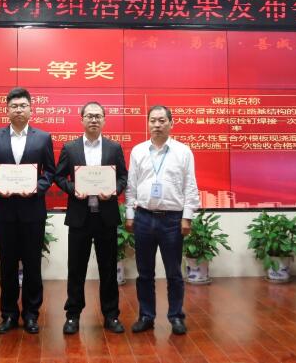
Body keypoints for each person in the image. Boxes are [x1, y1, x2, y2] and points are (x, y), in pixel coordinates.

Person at [0, 87, 56, 334]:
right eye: (14, 106)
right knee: (7, 265)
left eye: (23, 106)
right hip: (4, 212)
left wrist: (36, 188)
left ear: (31, 109)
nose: (19, 110)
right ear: (7, 109)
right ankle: (9, 314)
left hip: (33, 211)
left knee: (33, 264)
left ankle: (32, 314)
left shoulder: (43, 137)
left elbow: (50, 172)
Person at [125, 105, 200, 335]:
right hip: (144, 217)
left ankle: (176, 316)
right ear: (147, 123)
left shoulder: (183, 151)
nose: (157, 125)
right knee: (144, 273)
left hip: (172, 220)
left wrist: (187, 218)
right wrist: (130, 215)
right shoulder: (138, 151)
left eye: (162, 120)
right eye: (153, 120)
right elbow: (131, 186)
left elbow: (190, 186)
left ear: (171, 123)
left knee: (174, 273)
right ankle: (146, 316)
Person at [55, 102, 127, 334]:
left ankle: (111, 315)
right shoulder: (70, 147)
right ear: (82, 120)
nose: (94, 120)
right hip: (80, 217)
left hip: (106, 217)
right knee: (76, 268)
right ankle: (73, 315)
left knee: (108, 269)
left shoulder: (114, 148)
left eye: (98, 116)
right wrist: (73, 188)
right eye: (89, 116)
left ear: (104, 119)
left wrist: (113, 190)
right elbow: (59, 176)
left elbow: (123, 177)